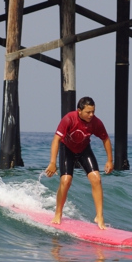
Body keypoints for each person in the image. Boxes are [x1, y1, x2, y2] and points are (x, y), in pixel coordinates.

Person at [45, 97, 114, 230]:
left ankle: (99, 216)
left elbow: (105, 139)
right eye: (88, 112)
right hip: (67, 149)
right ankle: (58, 213)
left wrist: (109, 160)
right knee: (66, 181)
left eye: (93, 111)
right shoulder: (69, 119)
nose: (91, 115)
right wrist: (52, 162)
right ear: (79, 111)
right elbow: (56, 140)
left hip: (84, 150)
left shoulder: (96, 122)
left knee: (96, 179)